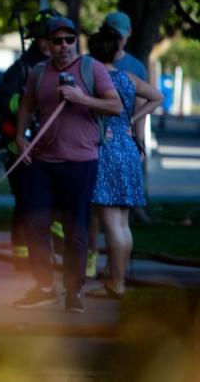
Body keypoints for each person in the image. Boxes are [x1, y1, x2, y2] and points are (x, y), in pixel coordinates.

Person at [13, 16, 121, 314]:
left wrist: (80, 98)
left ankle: (73, 291)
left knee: (76, 230)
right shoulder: (38, 72)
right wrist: (21, 137)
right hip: (43, 162)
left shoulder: (92, 68)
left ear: (76, 41)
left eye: (69, 40)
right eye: (57, 41)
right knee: (35, 224)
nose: (64, 46)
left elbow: (115, 106)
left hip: (81, 161)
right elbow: (26, 104)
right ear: (46, 44)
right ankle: (45, 287)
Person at [86, 29, 163, 298]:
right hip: (127, 148)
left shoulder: (94, 79)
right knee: (122, 223)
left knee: (111, 224)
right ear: (116, 51)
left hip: (106, 149)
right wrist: (132, 119)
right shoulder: (129, 78)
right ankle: (117, 280)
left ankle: (116, 283)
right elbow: (157, 97)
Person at [0, 9, 55, 267]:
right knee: (26, 200)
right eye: (45, 38)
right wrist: (28, 105)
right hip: (19, 147)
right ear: (36, 40)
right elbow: (1, 101)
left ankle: (47, 252)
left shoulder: (57, 67)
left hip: (51, 146)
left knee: (49, 201)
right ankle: (22, 257)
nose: (50, 43)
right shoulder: (20, 69)